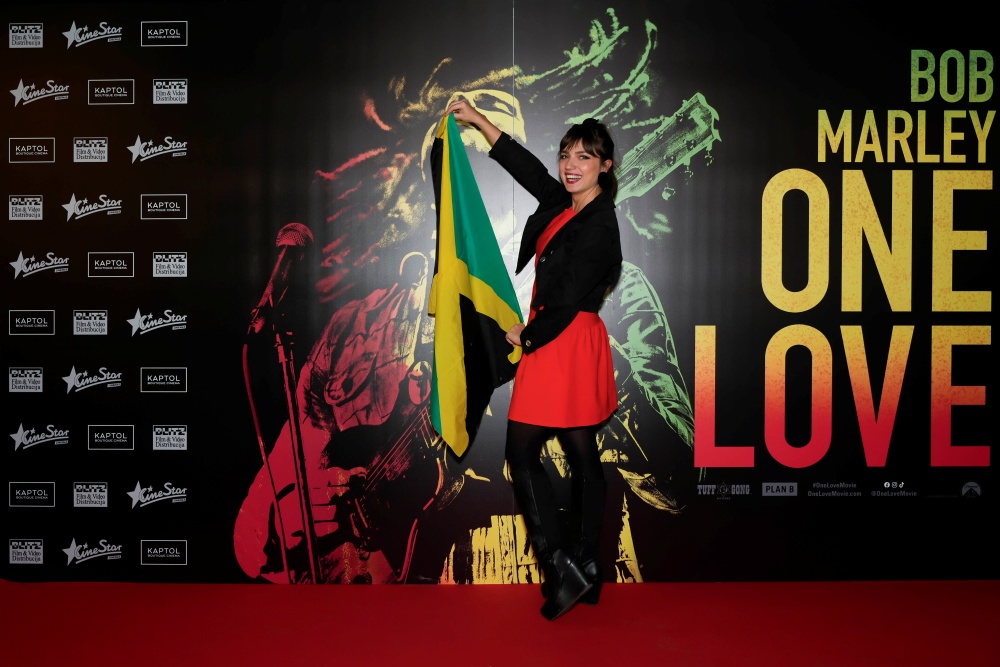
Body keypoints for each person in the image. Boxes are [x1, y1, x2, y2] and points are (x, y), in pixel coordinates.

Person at [446, 98, 623, 620]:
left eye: (584, 157)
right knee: (580, 453)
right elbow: (527, 168)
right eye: (567, 154)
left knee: (524, 451)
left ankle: (563, 563)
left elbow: (567, 295)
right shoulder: (562, 202)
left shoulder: (601, 224)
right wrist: (481, 123)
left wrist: (528, 336)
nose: (571, 165)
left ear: (605, 166)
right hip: (555, 337)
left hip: (564, 337)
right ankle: (584, 566)